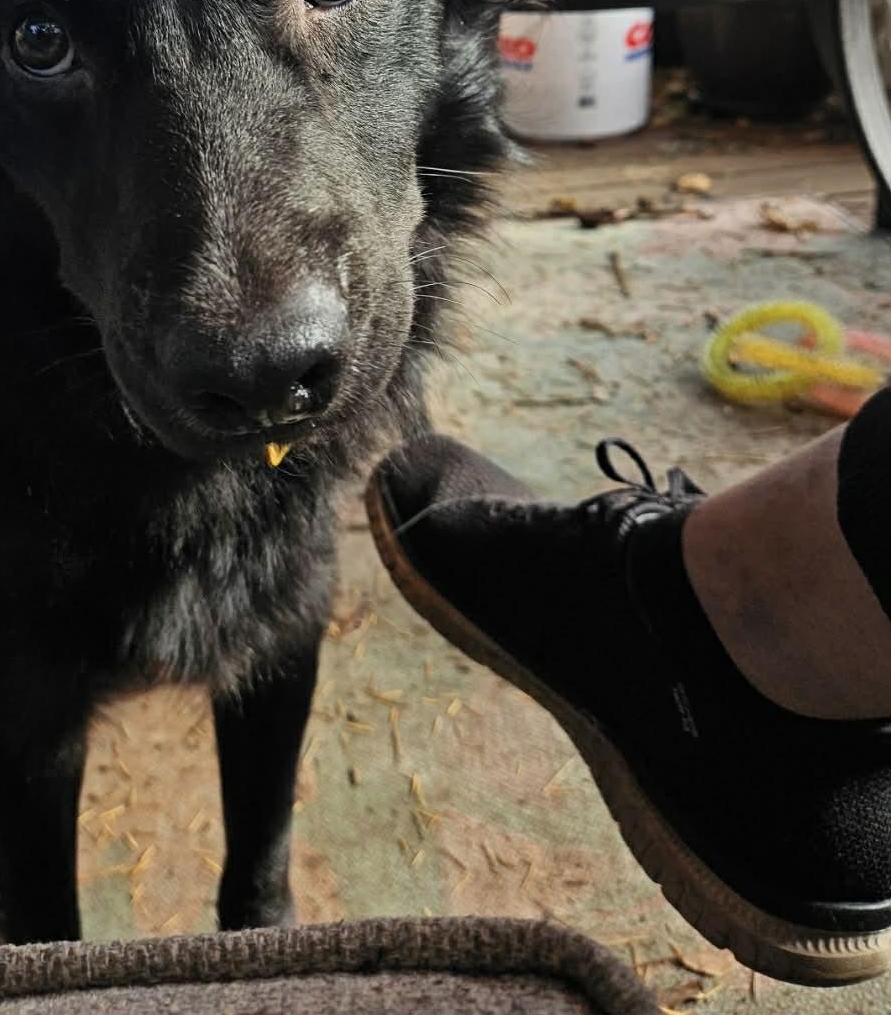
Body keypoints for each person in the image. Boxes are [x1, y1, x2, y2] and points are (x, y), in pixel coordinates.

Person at [367, 386, 891, 989]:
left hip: (761, 739)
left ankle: (708, 599)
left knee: (704, 600)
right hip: (822, 817)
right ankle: (840, 697)